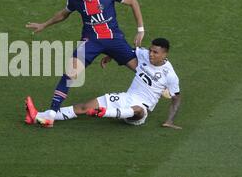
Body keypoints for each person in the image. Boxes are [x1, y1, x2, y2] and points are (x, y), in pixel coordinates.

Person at [26, 0, 145, 126]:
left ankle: (158, 91)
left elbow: (133, 2)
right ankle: (51, 113)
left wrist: (140, 29)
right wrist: (44, 24)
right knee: (70, 74)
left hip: (114, 40)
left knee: (143, 72)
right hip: (91, 41)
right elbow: (63, 14)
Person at [25, 38, 182, 130]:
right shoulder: (143, 55)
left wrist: (170, 120)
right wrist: (110, 56)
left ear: (165, 54)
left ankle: (104, 112)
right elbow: (124, 52)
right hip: (125, 98)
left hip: (141, 110)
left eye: (155, 52)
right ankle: (40, 116)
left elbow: (176, 99)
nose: (151, 54)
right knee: (84, 107)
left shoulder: (170, 75)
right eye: (150, 50)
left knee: (139, 110)